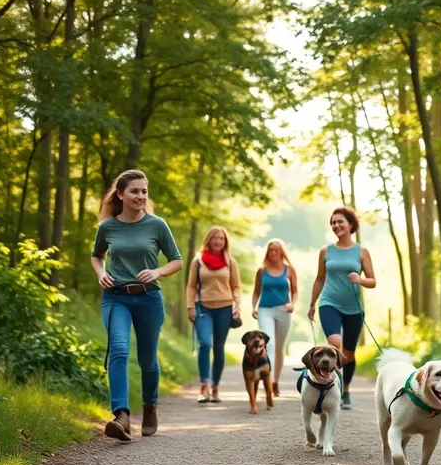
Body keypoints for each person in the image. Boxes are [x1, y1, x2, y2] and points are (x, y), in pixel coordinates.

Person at [91, 169, 183, 442]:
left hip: (148, 298)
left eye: (144, 191)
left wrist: (157, 272)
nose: (141, 196)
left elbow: (176, 260)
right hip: (116, 297)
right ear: (120, 194)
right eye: (134, 191)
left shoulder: (157, 225)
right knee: (119, 350)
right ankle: (121, 416)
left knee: (147, 360)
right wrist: (101, 273)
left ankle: (150, 406)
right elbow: (97, 256)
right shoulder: (107, 227)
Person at [307, 206, 376, 410]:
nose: (336, 225)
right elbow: (320, 279)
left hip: (354, 308)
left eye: (340, 222)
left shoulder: (361, 251)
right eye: (333, 223)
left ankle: (345, 389)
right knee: (335, 343)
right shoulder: (326, 251)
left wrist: (361, 279)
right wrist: (312, 303)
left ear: (350, 225)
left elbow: (373, 281)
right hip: (329, 303)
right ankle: (331, 385)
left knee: (349, 353)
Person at [186, 226, 242, 404]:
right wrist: (190, 307)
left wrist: (237, 305)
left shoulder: (230, 262)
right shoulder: (198, 261)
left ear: (225, 242)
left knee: (218, 347)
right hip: (203, 307)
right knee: (205, 343)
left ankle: (215, 387)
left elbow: (236, 286)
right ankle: (204, 386)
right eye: (215, 238)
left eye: (221, 239)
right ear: (208, 240)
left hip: (225, 308)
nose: (218, 241)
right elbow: (191, 286)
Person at [251, 239, 298, 396]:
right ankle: (269, 381)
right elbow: (256, 291)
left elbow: (295, 291)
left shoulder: (289, 270)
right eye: (271, 250)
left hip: (283, 310)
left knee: (279, 348)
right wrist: (253, 307)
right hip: (265, 310)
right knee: (268, 343)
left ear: (281, 252)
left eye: (276, 250)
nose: (273, 253)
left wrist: (293, 304)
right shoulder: (262, 271)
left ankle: (276, 381)